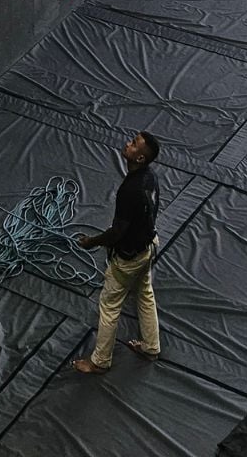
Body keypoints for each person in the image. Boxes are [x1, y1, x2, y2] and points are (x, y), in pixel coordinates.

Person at [72, 131, 161, 374]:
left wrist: (92, 242)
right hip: (149, 247)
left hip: (129, 258)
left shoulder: (129, 190)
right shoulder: (150, 177)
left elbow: (118, 231)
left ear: (140, 158)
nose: (127, 144)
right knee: (144, 293)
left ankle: (99, 362)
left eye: (133, 144)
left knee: (109, 307)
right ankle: (151, 346)